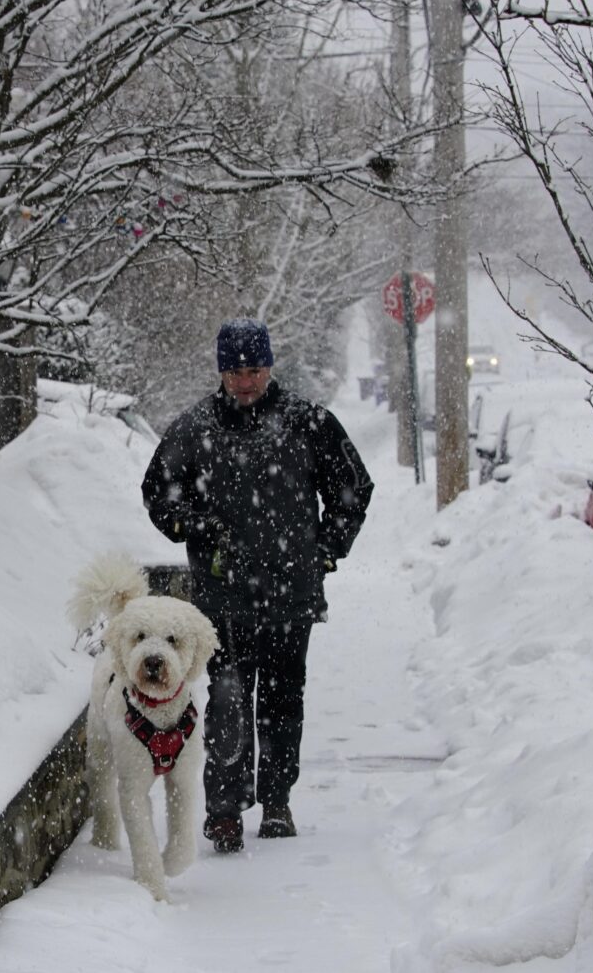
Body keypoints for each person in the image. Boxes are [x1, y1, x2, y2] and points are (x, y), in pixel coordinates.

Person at [140, 318, 373, 853]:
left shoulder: (306, 422)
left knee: (283, 701)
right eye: (235, 371)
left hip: (292, 595)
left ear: (270, 367)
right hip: (223, 600)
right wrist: (198, 527)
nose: (245, 382)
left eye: (254, 370)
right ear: (220, 372)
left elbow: (352, 489)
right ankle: (223, 810)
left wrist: (327, 550)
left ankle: (277, 802)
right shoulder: (197, 428)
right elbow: (159, 493)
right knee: (227, 700)